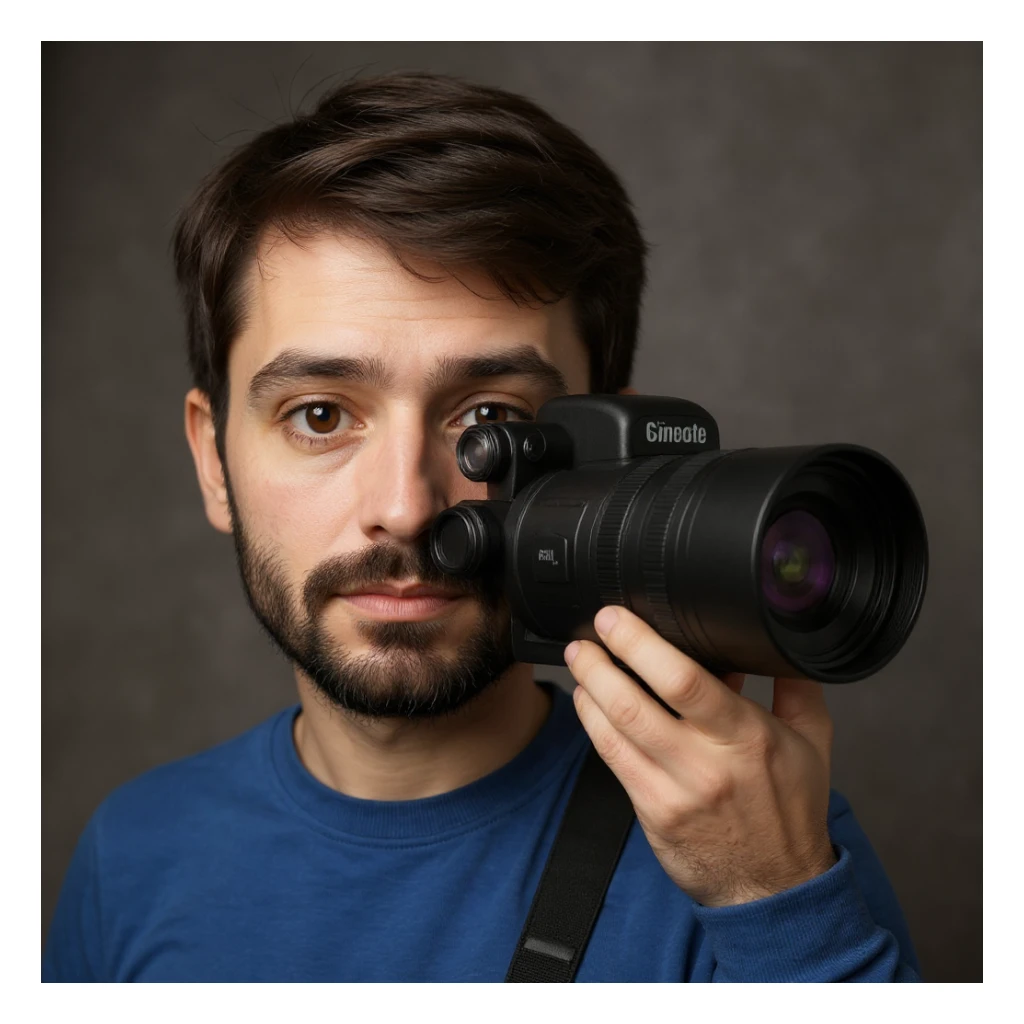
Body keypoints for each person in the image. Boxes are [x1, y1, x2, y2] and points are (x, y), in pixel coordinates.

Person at [43, 69, 921, 983]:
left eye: (492, 422)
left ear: (611, 457)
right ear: (211, 460)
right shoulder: (134, 852)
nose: (408, 506)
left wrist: (775, 900)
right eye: (319, 415)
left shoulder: (763, 843)